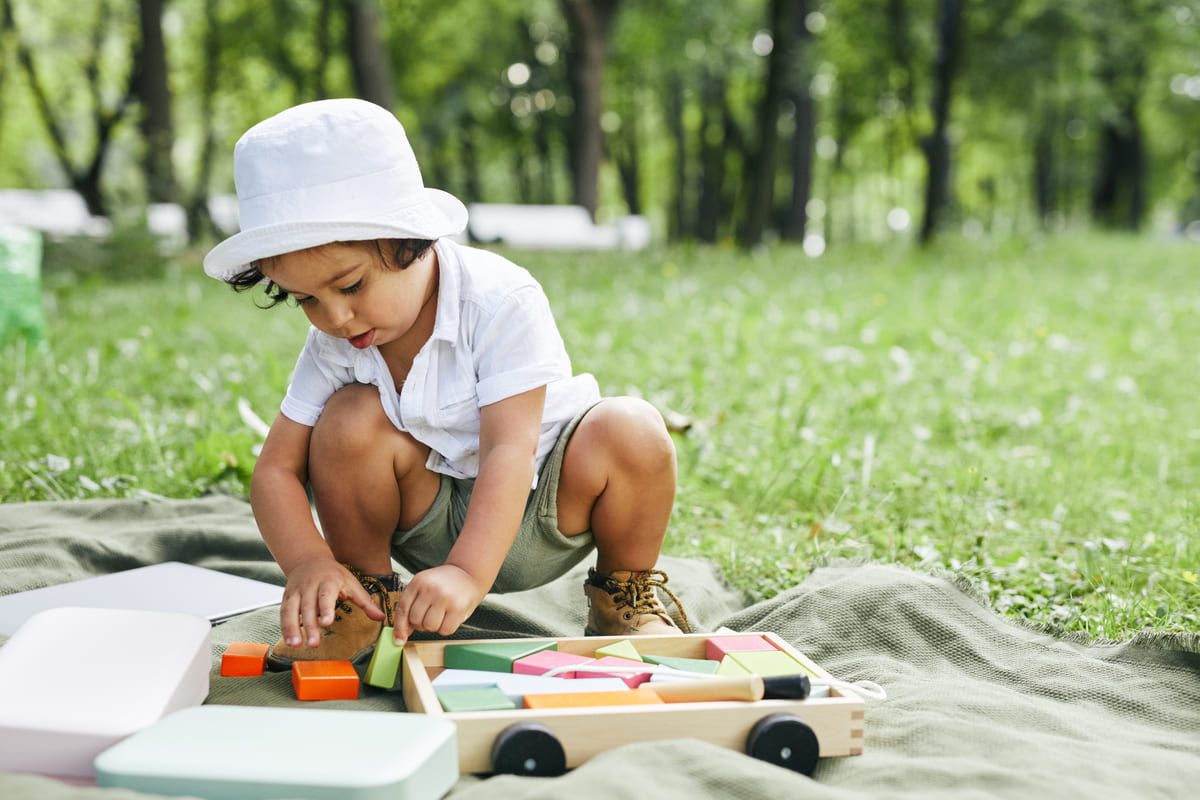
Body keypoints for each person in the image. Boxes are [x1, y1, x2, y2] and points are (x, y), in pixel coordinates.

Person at [202, 99, 691, 668]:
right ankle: (362, 602)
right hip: (426, 516)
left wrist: (467, 573)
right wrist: (309, 561)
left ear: (411, 241)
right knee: (348, 418)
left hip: (542, 507)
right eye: (306, 299)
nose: (334, 318)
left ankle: (620, 599)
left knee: (631, 427)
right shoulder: (337, 341)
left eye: (351, 285)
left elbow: (510, 449)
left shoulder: (499, 299)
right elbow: (276, 468)